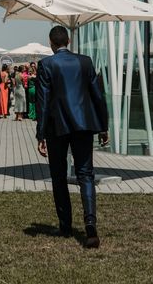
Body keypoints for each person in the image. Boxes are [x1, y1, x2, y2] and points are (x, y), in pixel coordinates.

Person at [36, 26, 108, 248]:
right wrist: (103, 126)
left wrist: (40, 134)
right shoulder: (85, 62)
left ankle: (65, 224)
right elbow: (98, 95)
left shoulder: (46, 65)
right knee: (86, 174)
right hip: (84, 125)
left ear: (51, 43)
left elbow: (43, 101)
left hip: (57, 127)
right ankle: (90, 224)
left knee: (58, 176)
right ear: (68, 40)